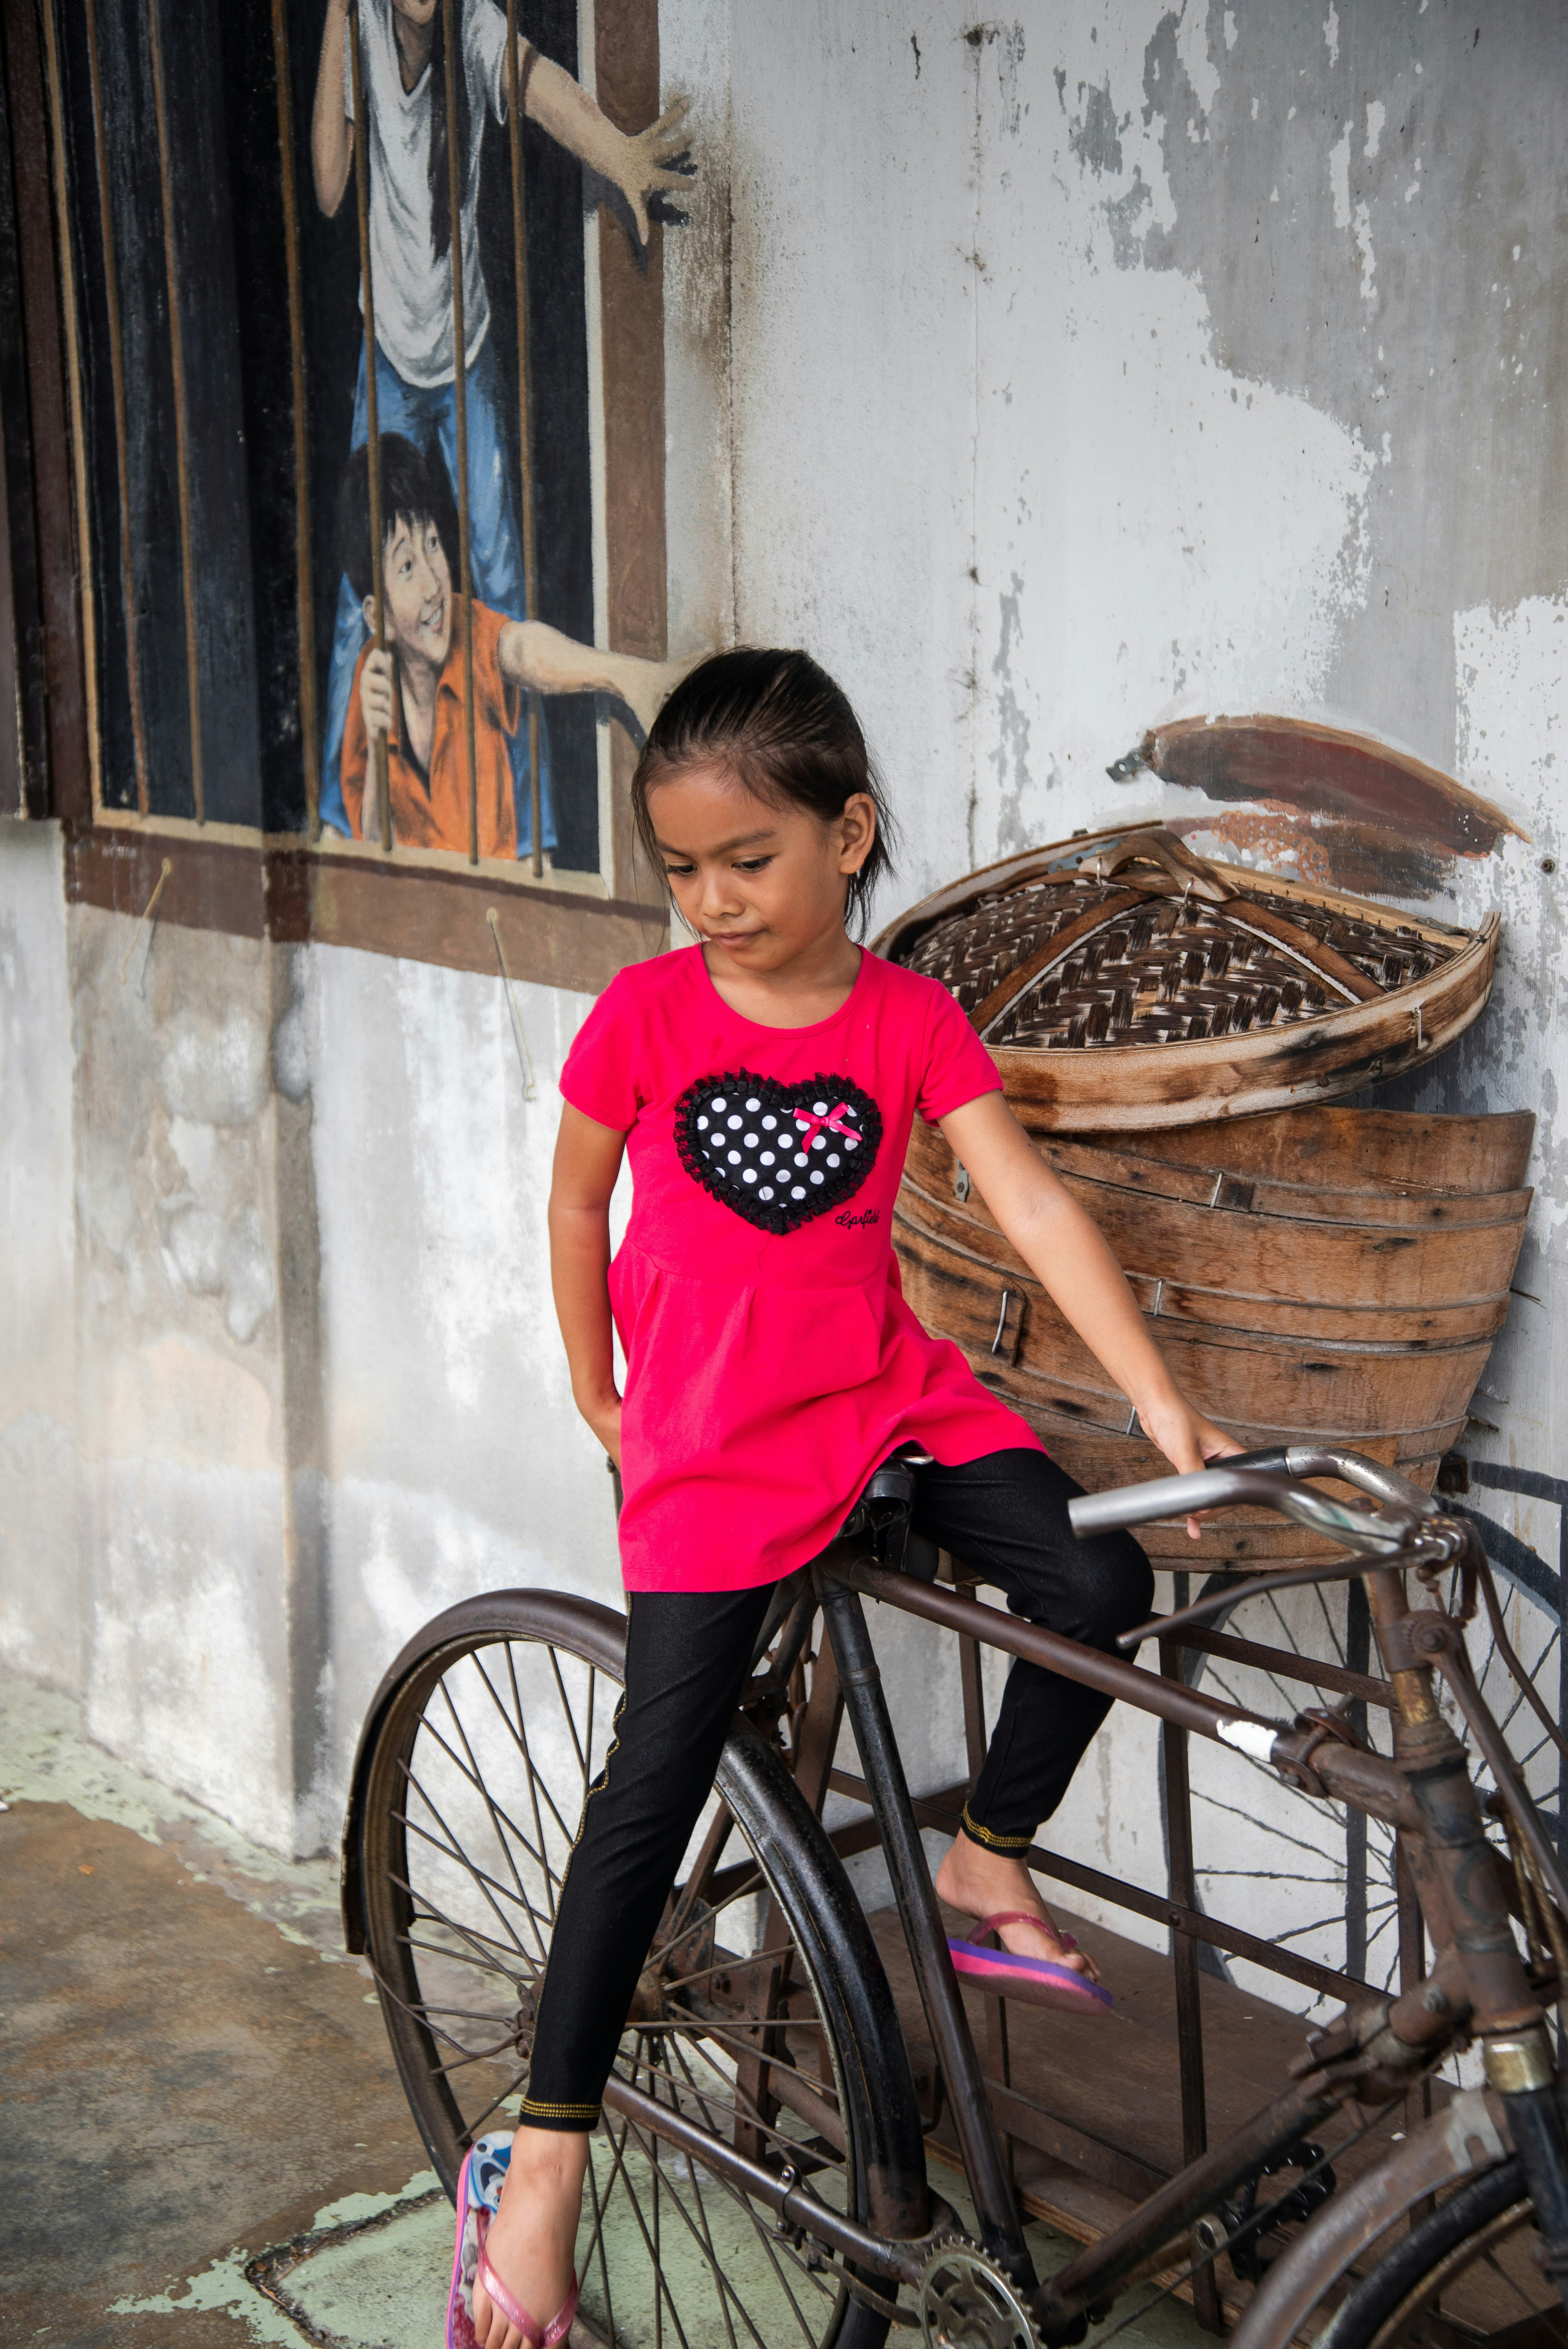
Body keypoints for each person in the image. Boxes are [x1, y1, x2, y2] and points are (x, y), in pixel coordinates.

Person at [454, 648, 1241, 2349]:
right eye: (680, 872)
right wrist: (595, 1379)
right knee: (648, 1790)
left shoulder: (906, 1019)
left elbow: (1023, 1204)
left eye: (747, 860)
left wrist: (1150, 1389)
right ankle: (542, 2164)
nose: (711, 902)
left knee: (1102, 1591)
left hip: (883, 1403)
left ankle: (984, 1862)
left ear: (846, 832)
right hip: (712, 1453)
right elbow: (574, 1198)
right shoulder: (644, 1017)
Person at [312, 0, 693, 855]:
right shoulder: (363, 29)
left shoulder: (475, 30)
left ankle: (528, 836)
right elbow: (330, 189)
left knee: (496, 574)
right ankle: (344, 827)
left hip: (465, 352)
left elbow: (546, 91)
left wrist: (622, 157)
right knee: (358, 597)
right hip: (388, 354)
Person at [338, 434, 687, 855]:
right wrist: (377, 748)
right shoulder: (371, 674)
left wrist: (628, 676)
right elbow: (373, 847)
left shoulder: (463, 626)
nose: (433, 584)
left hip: (490, 908)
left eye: (432, 544)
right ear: (378, 616)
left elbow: (522, 648)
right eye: (407, 566)